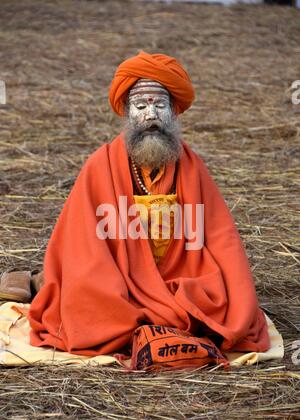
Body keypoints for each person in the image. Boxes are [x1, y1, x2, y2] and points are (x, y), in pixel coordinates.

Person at [2, 52, 270, 369]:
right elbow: (82, 244)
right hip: (117, 278)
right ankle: (43, 284)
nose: (150, 116)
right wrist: (105, 285)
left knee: (225, 306)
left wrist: (237, 294)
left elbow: (220, 235)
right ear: (128, 113)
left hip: (180, 280)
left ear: (173, 112)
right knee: (89, 306)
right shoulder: (100, 165)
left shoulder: (193, 167)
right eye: (140, 107)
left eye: (159, 106)